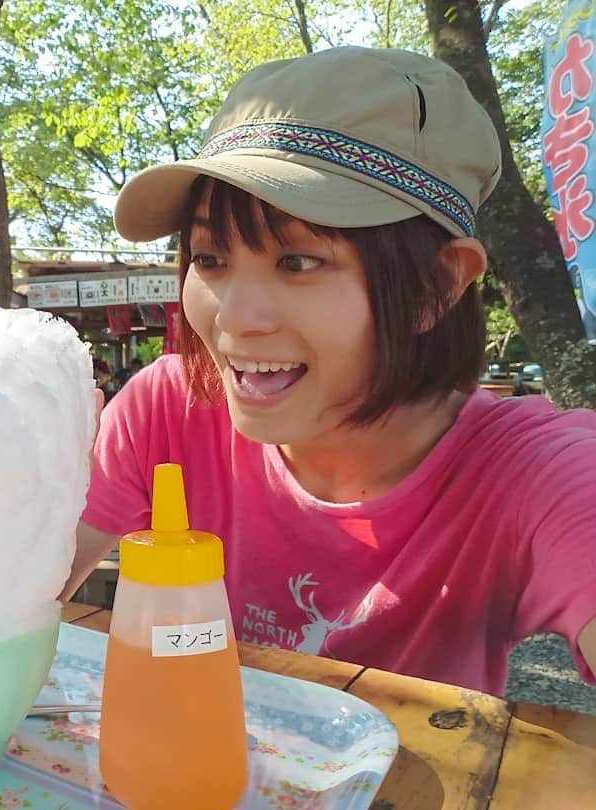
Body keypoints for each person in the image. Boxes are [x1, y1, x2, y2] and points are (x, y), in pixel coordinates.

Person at [63, 46, 596, 696]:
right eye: (209, 258)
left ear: (437, 286)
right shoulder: (167, 410)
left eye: (299, 262)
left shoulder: (536, 471)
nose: (234, 317)